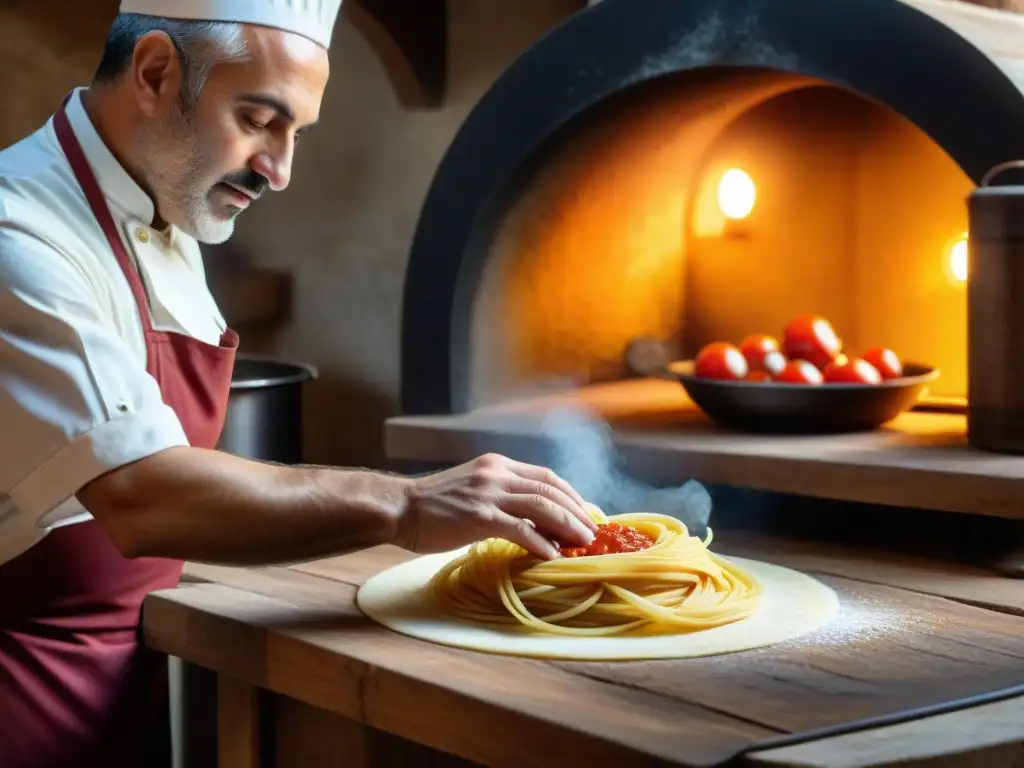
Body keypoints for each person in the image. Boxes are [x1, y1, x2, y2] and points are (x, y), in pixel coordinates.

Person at [0, 2, 597, 765]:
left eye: (296, 134)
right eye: (258, 119)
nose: (280, 170)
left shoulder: (163, 205)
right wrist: (406, 502)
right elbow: (142, 492)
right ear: (154, 72)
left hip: (117, 688)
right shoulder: (19, 231)